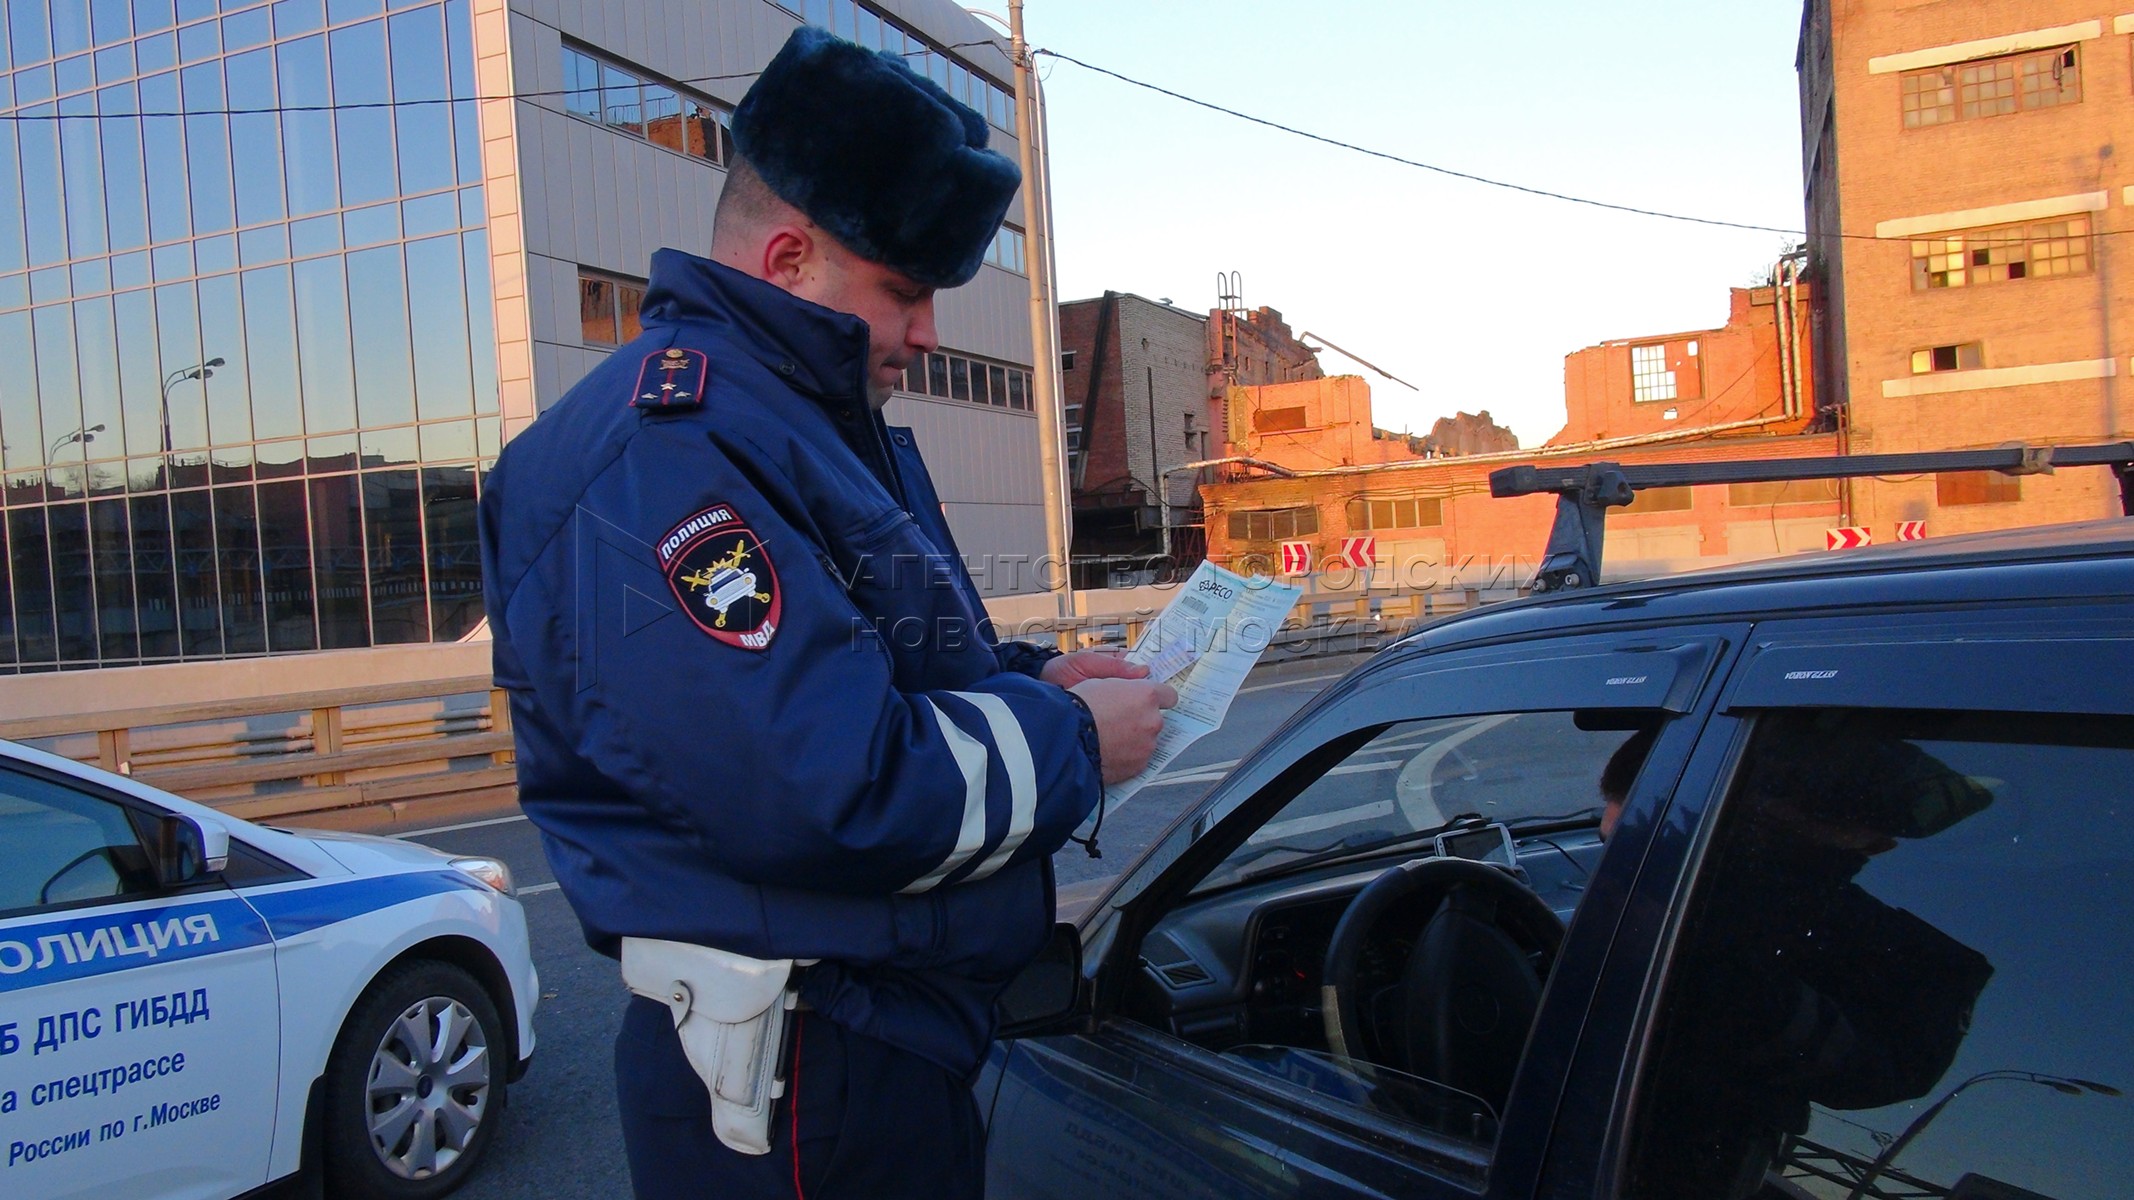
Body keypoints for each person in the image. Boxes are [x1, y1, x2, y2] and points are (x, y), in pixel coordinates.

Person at [478, 26, 1176, 1200]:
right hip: (803, 1079)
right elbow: (825, 783)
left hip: (854, 1046)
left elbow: (871, 660)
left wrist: (1032, 676)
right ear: (792, 258)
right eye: (906, 292)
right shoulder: (678, 452)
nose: (926, 333)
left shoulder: (778, 423)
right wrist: (1070, 746)